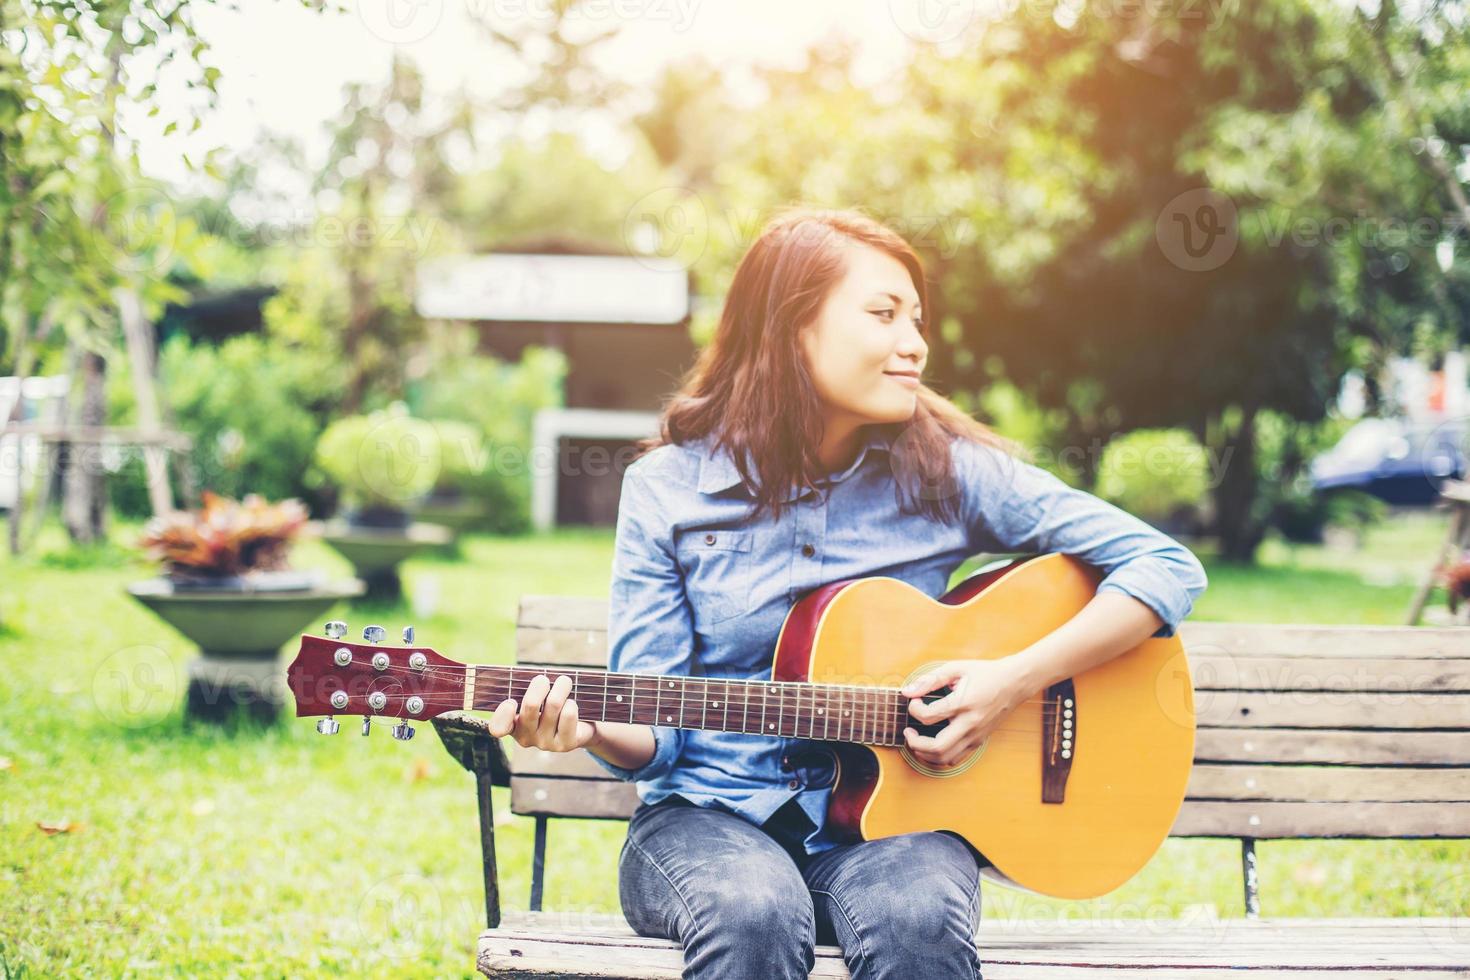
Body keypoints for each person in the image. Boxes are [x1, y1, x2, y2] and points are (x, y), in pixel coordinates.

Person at [485, 206, 1209, 980]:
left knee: (918, 921)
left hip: (894, 830)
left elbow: (1166, 566)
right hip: (706, 821)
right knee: (754, 914)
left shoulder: (949, 472)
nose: (915, 344)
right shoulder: (668, 489)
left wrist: (1009, 682)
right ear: (793, 330)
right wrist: (588, 729)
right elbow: (655, 734)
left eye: (917, 320)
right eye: (883, 315)